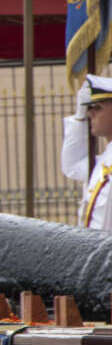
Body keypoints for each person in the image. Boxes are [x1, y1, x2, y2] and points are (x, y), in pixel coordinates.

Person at [61, 74, 112, 231]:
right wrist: (79, 117)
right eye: (89, 108)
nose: (90, 114)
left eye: (97, 108)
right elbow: (73, 166)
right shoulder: (106, 158)